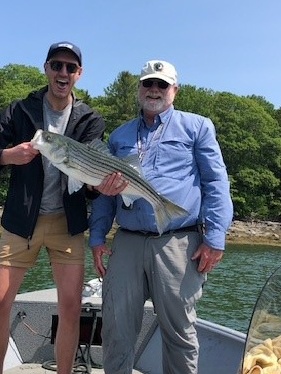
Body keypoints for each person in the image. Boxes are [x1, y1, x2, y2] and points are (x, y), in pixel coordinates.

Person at [89, 60, 233, 373]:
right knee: (115, 329)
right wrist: (97, 237)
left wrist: (215, 238)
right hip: (126, 241)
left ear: (174, 90)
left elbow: (216, 183)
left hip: (179, 242)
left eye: (162, 84)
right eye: (148, 83)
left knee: (179, 332)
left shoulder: (197, 126)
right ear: (139, 88)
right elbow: (105, 192)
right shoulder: (120, 135)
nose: (154, 90)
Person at [0, 41, 105, 374]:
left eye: (70, 68)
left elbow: (92, 184)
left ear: (79, 74)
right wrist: (7, 156)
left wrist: (96, 184)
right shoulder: (20, 111)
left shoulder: (90, 119)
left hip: (67, 224)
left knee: (71, 307)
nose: (63, 73)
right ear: (45, 68)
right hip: (21, 222)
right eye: (56, 65)